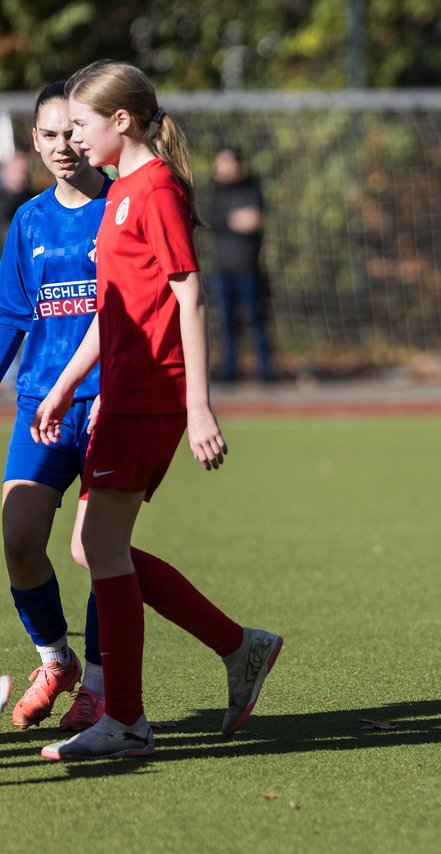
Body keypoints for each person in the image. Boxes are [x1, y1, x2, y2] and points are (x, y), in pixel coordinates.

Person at [34, 59, 283, 761]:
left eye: (81, 122)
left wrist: (198, 405)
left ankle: (128, 719)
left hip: (151, 396)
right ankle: (239, 648)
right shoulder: (122, 193)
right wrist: (62, 385)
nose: (72, 136)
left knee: (100, 547)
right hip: (122, 394)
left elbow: (188, 297)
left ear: (121, 121)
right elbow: (113, 311)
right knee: (94, 546)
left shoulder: (157, 191)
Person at [0, 82, 111, 734]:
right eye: (48, 134)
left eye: (73, 130)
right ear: (35, 141)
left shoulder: (120, 207)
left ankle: (98, 686)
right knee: (17, 538)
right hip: (41, 403)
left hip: (106, 403)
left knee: (95, 550)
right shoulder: (28, 221)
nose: (62, 145)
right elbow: (13, 316)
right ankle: (55, 659)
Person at [208, 146, 271, 382]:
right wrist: (235, 219)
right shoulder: (215, 192)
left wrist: (236, 220)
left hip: (248, 268)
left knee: (255, 319)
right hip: (222, 269)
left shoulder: (251, 188)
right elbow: (216, 220)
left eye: (228, 161)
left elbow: (253, 220)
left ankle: (265, 371)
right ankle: (229, 370)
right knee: (226, 322)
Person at [0, 150, 34, 253]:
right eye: (15, 170)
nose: (20, 175)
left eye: (23, 171)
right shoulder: (2, 201)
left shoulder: (32, 200)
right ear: (5, 171)